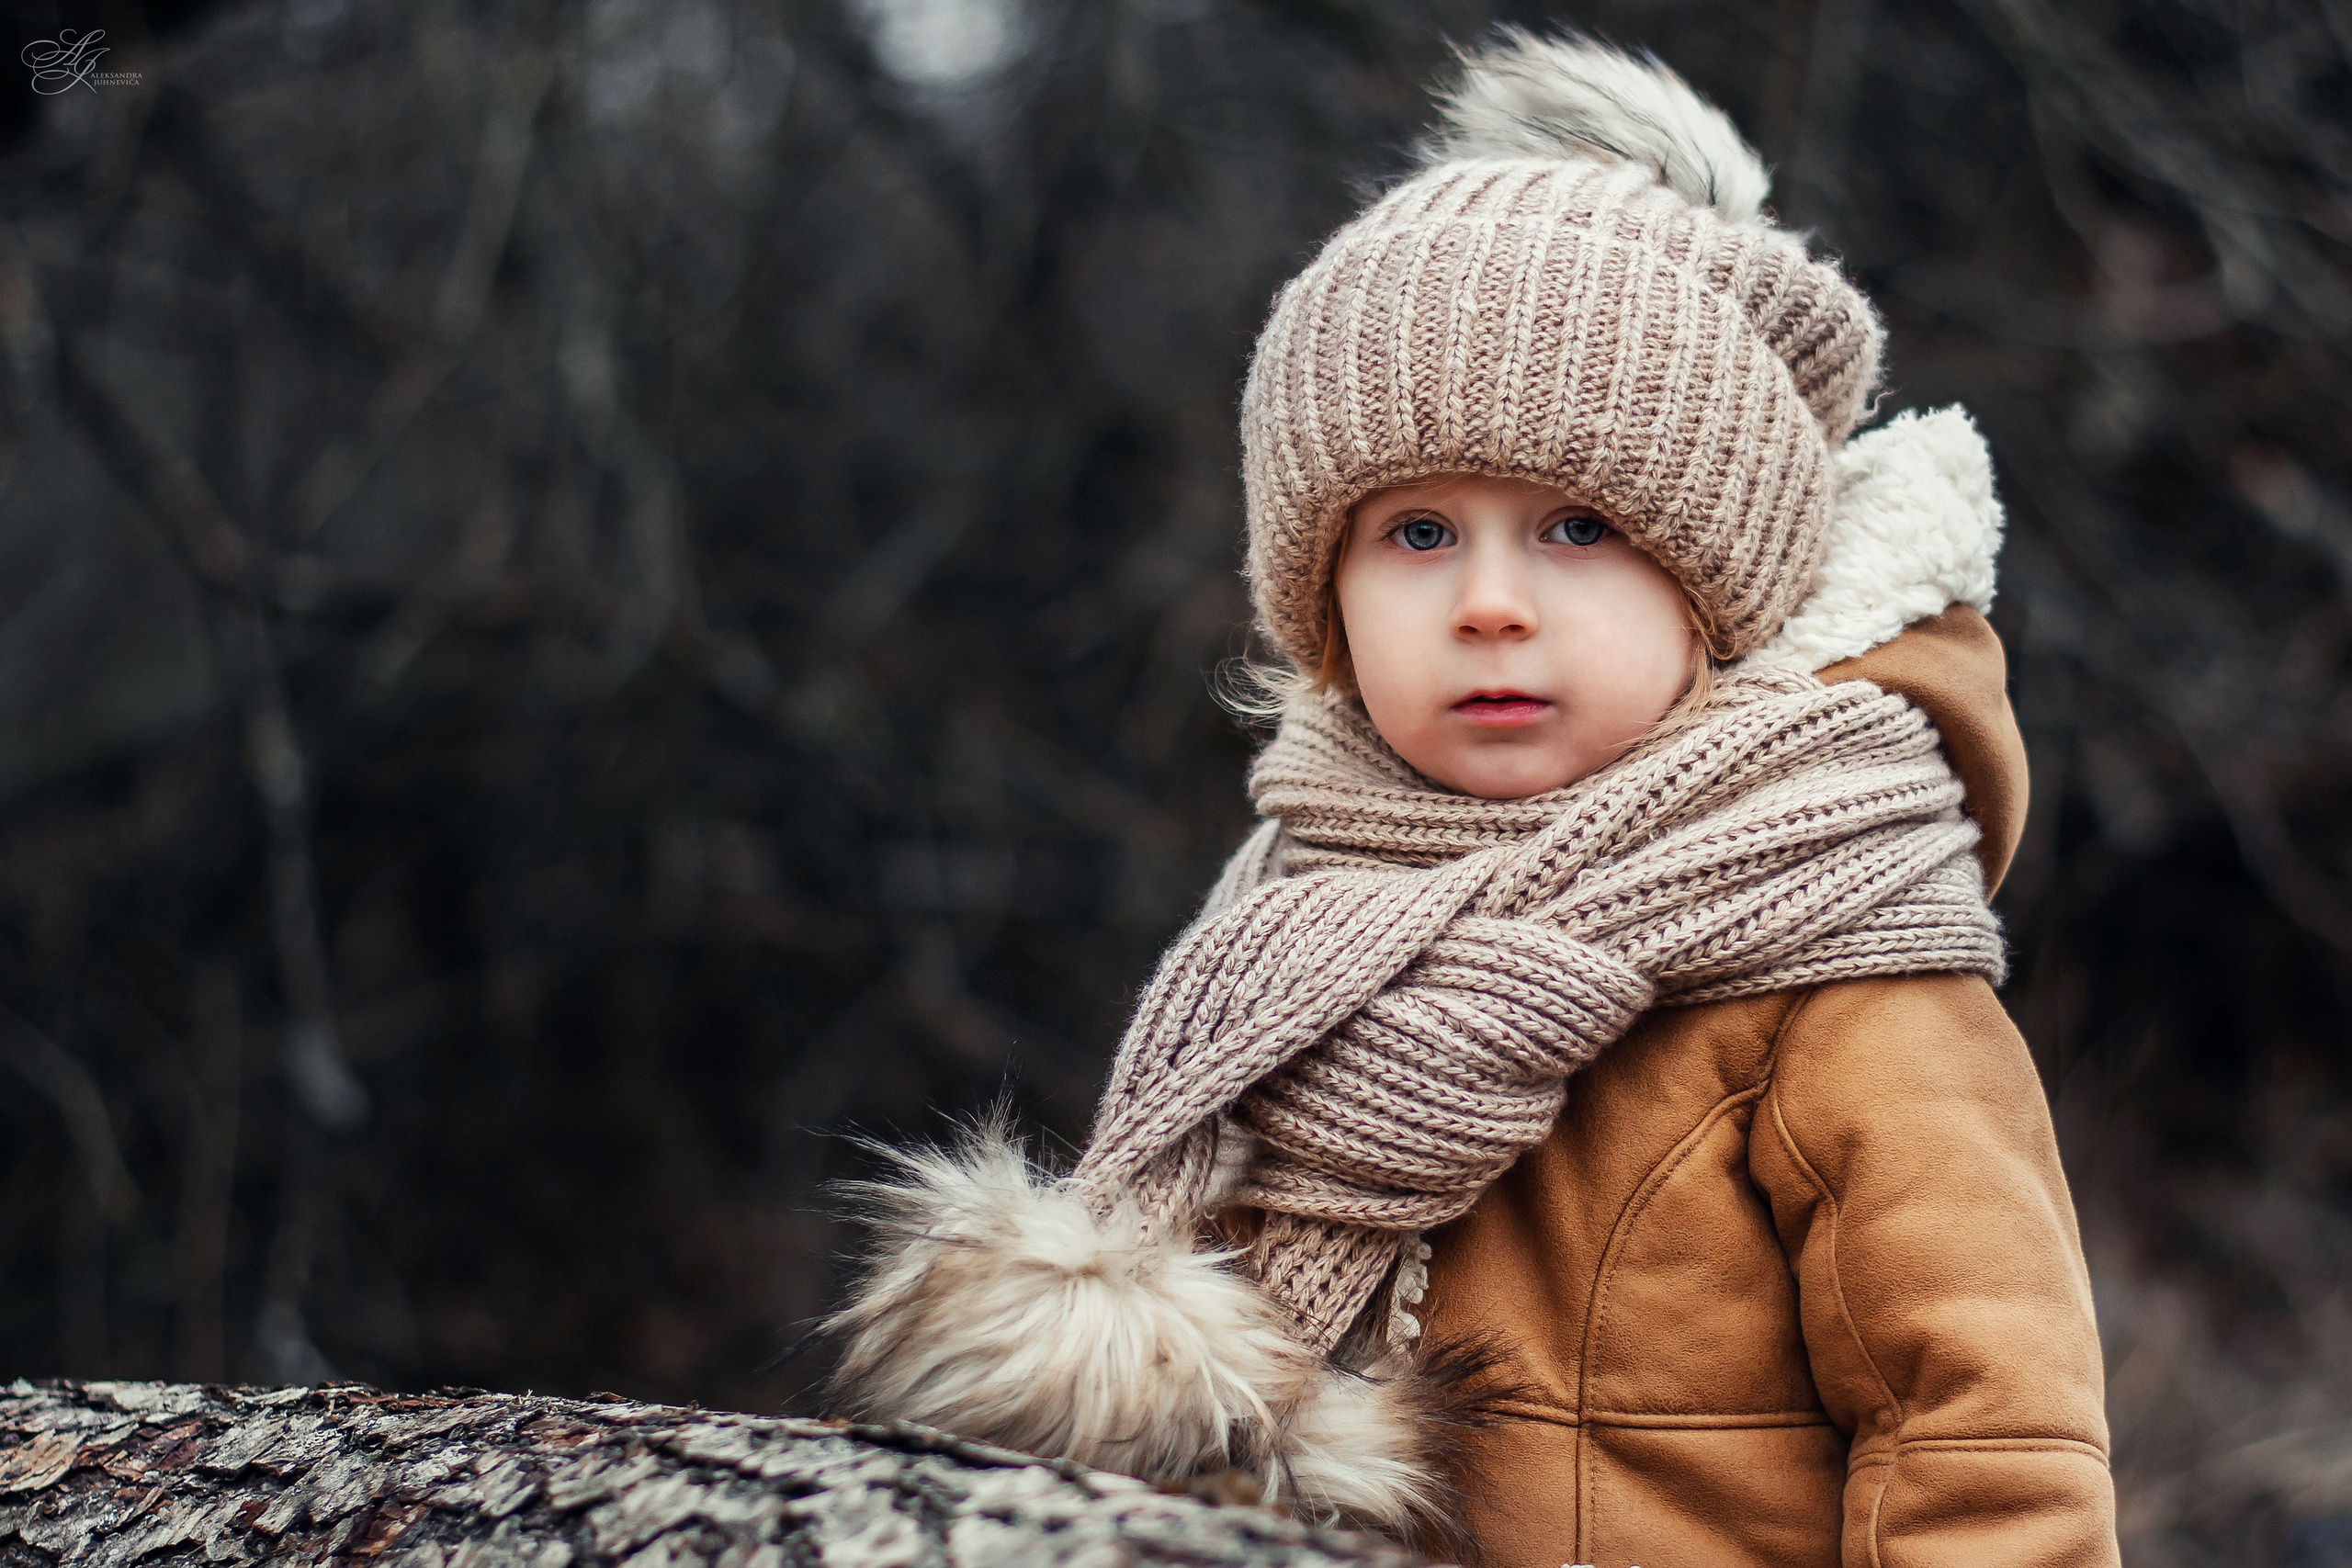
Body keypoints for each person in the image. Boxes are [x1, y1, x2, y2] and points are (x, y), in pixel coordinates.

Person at [824, 30, 2120, 1568]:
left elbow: (1992, 1437)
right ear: (1320, 597)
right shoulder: (1294, 928)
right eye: (1419, 534)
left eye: (1578, 527)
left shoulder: (1845, 973)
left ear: (1720, 584)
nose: (1489, 603)